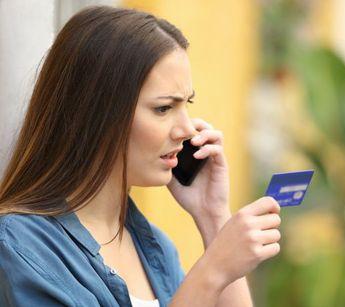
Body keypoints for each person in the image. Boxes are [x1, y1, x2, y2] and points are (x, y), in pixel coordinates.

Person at [0, 5, 282, 307]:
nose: (186, 129)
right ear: (97, 114)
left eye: (187, 103)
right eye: (163, 108)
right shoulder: (21, 246)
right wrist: (212, 272)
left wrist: (213, 218)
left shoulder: (154, 247)